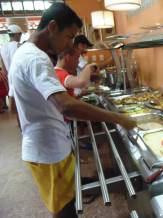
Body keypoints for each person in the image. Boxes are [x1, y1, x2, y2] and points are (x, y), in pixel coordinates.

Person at [9, 3, 136, 218]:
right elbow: (65, 104)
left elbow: (17, 105)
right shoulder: (36, 58)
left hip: (44, 145)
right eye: (69, 37)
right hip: (48, 150)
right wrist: (118, 118)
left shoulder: (24, 53)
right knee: (65, 212)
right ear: (52, 27)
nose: (70, 45)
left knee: (65, 206)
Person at [0, 24, 23, 113]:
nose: (20, 36)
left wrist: (6, 76)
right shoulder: (19, 45)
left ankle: (16, 115)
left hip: (9, 75)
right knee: (21, 100)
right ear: (16, 34)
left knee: (13, 96)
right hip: (19, 75)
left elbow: (3, 66)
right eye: (20, 34)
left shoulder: (2, 47)